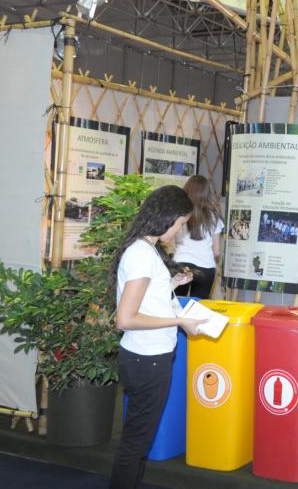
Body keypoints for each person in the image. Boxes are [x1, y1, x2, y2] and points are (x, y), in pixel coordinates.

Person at [110, 185, 206, 489]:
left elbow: (146, 300)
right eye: (179, 224)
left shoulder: (146, 249)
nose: (179, 231)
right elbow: (125, 319)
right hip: (147, 360)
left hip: (149, 357)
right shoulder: (141, 254)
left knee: (139, 439)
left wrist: (172, 283)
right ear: (167, 217)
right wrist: (180, 320)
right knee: (136, 442)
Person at [172, 175, 223, 299]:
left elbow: (171, 241)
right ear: (206, 193)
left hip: (181, 263)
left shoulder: (179, 213)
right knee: (199, 306)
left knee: (176, 304)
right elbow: (216, 252)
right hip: (205, 266)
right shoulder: (214, 216)